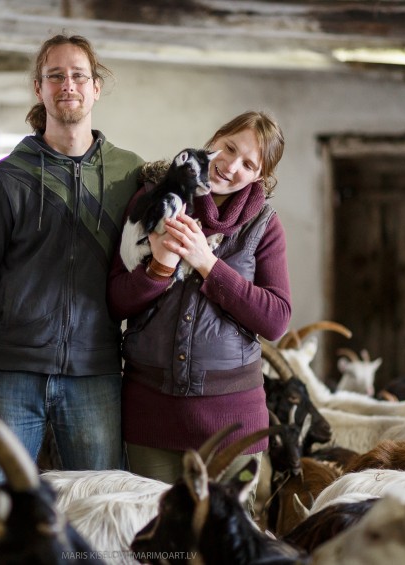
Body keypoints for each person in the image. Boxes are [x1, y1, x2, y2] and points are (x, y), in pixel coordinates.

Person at [0, 34, 145, 487]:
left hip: (95, 372)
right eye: (55, 76)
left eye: (78, 75)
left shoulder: (129, 174)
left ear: (96, 87)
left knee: (98, 508)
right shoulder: (7, 178)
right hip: (9, 373)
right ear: (39, 88)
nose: (67, 84)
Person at [107, 110, 292, 508]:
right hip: (151, 417)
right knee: (153, 530)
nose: (232, 166)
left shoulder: (264, 225)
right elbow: (115, 300)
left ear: (260, 176)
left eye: (249, 165)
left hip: (233, 424)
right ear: (215, 139)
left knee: (224, 535)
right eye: (230, 148)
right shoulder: (154, 198)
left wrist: (208, 263)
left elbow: (276, 319)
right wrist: (159, 268)